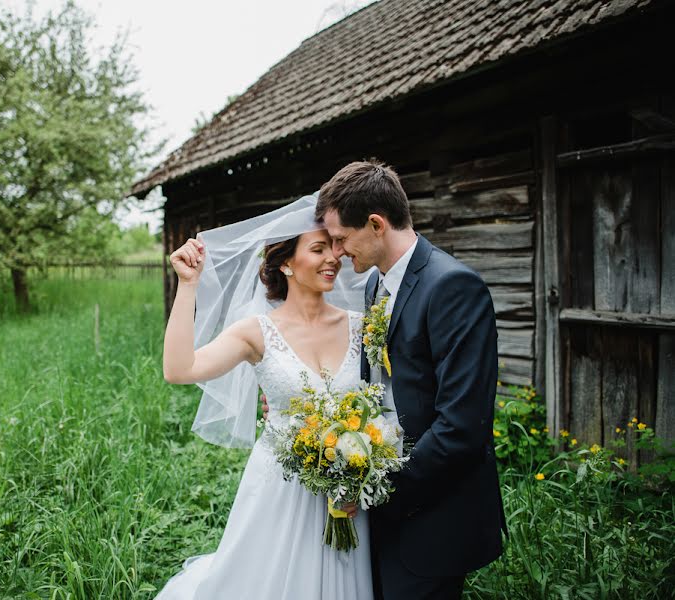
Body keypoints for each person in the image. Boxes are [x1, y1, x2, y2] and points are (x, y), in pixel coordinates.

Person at [156, 194, 377, 599]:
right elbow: (178, 369)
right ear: (287, 263)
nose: (333, 258)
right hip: (279, 489)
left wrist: (364, 470)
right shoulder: (256, 331)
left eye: (334, 247)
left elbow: (381, 405)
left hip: (345, 492)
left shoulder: (364, 328)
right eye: (318, 248)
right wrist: (188, 286)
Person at [310, 159, 506, 599]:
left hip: (433, 515)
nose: (337, 253)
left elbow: (462, 427)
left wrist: (381, 494)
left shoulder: (453, 286)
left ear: (376, 224)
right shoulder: (374, 285)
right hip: (384, 510)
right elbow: (380, 384)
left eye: (341, 239)